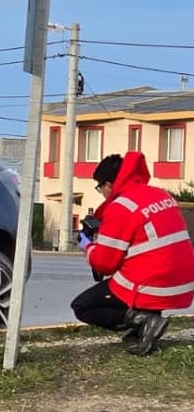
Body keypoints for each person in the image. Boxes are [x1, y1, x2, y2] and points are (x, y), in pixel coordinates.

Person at [71, 152, 194, 355]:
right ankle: (143, 327)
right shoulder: (161, 195)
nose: (101, 192)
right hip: (180, 284)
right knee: (135, 278)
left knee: (82, 306)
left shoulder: (122, 207)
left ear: (109, 185)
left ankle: (144, 320)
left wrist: (87, 246)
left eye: (100, 187)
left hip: (152, 285)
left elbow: (104, 264)